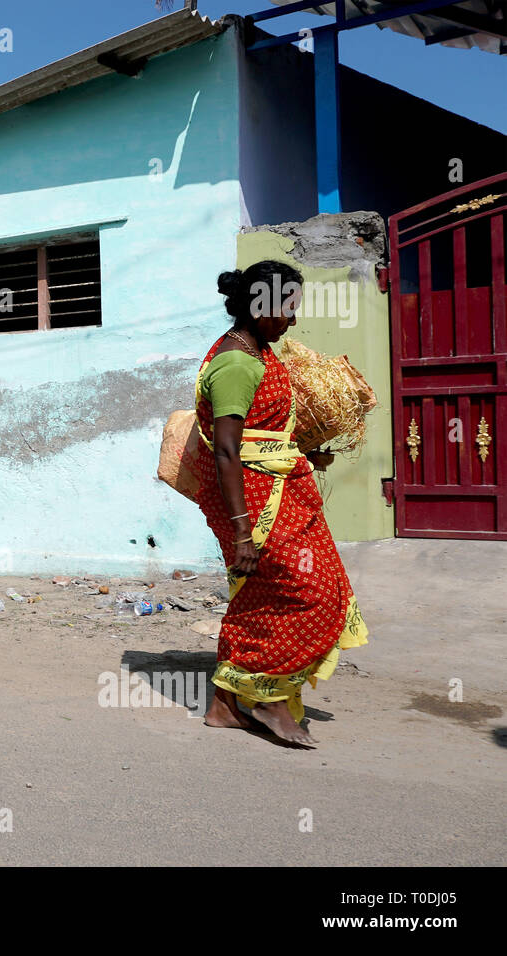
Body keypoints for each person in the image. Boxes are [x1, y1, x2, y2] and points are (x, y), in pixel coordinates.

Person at [196, 260, 369, 747]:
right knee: (306, 590)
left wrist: (303, 452)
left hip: (282, 488)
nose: (292, 320)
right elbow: (229, 449)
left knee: (269, 594)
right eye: (285, 309)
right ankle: (269, 697)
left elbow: (258, 433)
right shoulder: (236, 362)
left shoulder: (261, 351)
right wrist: (241, 530)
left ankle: (225, 706)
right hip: (254, 503)